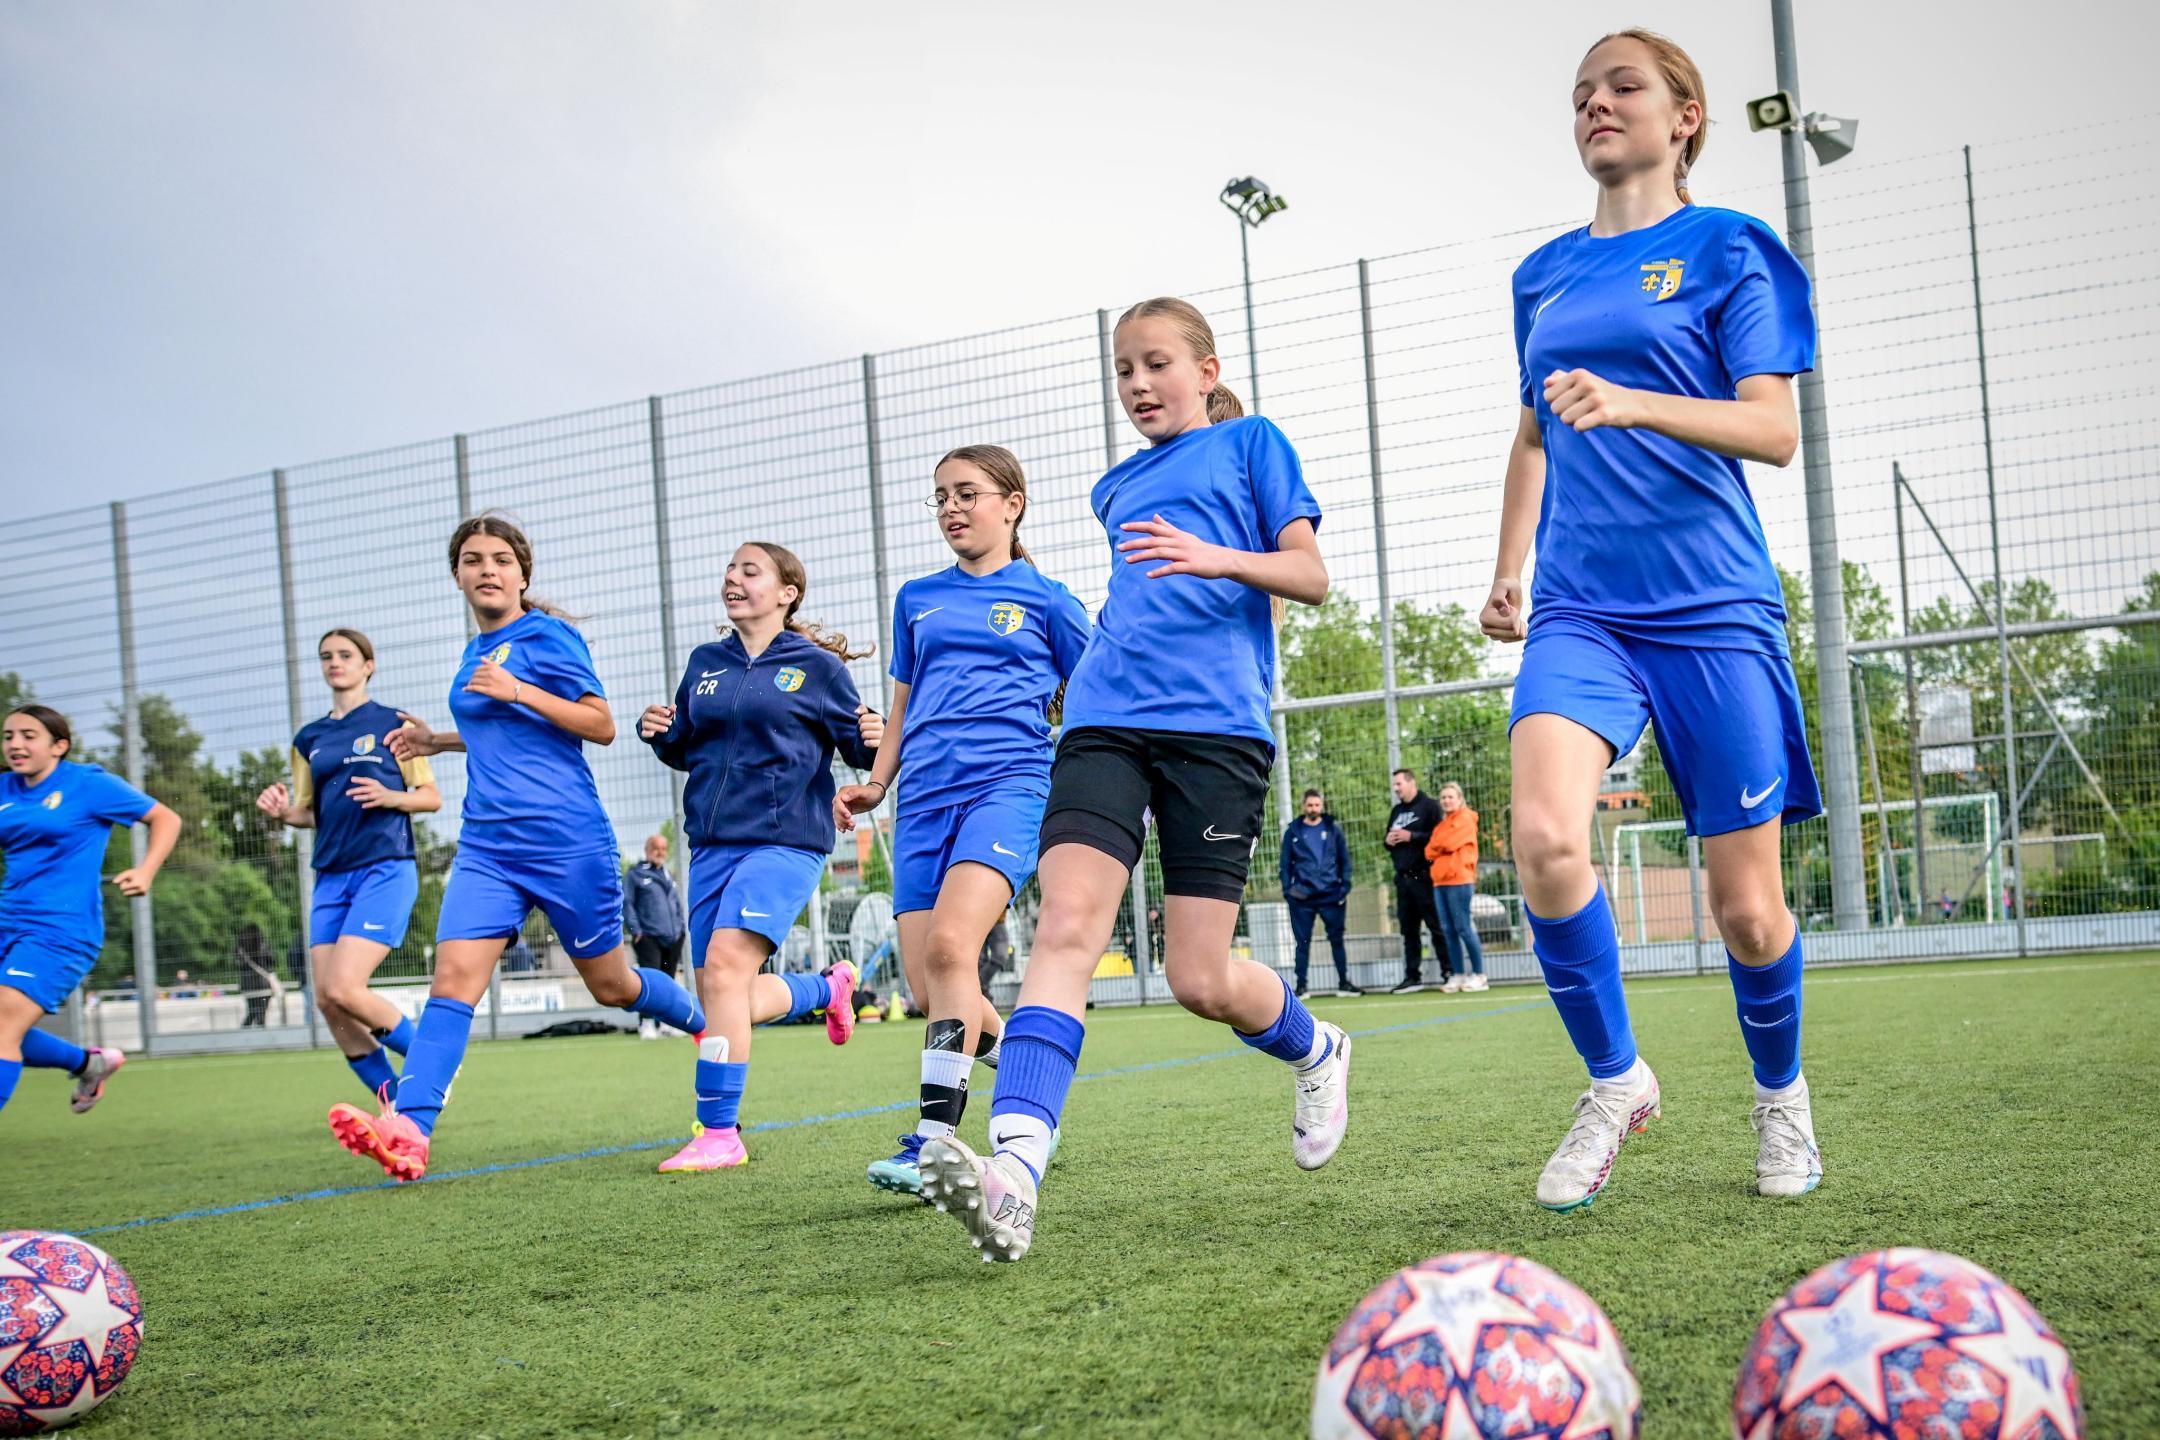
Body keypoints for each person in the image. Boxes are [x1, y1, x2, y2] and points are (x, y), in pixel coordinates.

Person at [918, 296, 1348, 1264]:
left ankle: (1317, 1050)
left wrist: (1216, 557)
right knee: (1068, 925)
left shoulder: (1253, 446)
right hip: (1105, 722)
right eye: (1123, 368)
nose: (1139, 384)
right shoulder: (1115, 486)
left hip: (1218, 734)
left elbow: (1311, 576)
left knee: (1200, 978)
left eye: (1157, 363)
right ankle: (1015, 1173)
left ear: (1204, 370)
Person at [1482, 29, 1824, 1210]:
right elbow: (1535, 427)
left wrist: (1635, 402)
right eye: (1580, 93)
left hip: (1714, 607)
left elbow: (1773, 432)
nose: (1595, 104)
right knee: (1543, 838)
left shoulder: (1731, 248)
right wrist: (1509, 564)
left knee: (1748, 908)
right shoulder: (1543, 276)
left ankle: (1780, 1099)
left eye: (1622, 86)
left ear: (1685, 117)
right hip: (1582, 608)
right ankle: (1617, 1079)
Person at [327, 514, 708, 1182]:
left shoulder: (547, 636)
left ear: (522, 573)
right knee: (452, 983)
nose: (487, 570)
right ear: (457, 577)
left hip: (566, 842)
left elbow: (601, 724)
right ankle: (410, 1132)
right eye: (472, 560)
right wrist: (437, 741)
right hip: (487, 847)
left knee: (613, 986)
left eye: (500, 559)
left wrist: (520, 689)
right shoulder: (475, 654)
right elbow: (504, 734)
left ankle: (706, 1023)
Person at [834, 444, 1090, 1197]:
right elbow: (904, 705)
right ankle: (1027, 1092)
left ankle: (933, 1144)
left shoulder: (1047, 599)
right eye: (940, 496)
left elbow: (1096, 691)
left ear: (1012, 503)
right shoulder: (918, 597)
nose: (950, 507)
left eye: (967, 493)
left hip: (1008, 789)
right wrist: (877, 783)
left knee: (953, 947)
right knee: (929, 985)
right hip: (922, 805)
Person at [642, 540, 883, 1174]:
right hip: (712, 842)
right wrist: (661, 733)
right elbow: (685, 746)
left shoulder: (818, 667)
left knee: (723, 969)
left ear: (786, 592)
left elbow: (859, 750)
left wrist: (874, 734)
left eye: (750, 571)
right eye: (728, 570)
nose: (733, 579)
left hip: (787, 839)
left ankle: (720, 1133)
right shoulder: (705, 663)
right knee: (725, 993)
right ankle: (827, 988)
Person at [257, 626, 442, 1096]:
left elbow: (430, 798)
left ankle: (432, 1066)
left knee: (344, 987)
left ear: (368, 665)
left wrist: (389, 796)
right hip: (331, 876)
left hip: (384, 867)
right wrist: (283, 813)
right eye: (326, 656)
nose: (334, 663)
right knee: (329, 1001)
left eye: (344, 654)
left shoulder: (391, 724)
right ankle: (399, 1105)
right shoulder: (309, 738)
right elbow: (310, 812)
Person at [0, 704, 182, 1118]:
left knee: (2, 1027)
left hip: (60, 931)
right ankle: (89, 1064)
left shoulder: (88, 784)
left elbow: (165, 819)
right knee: (6, 1026)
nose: (16, 744)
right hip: (8, 921)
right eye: (9, 736)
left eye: (29, 735)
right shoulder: (4, 790)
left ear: (59, 745)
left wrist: (146, 870)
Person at [1279, 788, 1357, 997]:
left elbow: (1345, 860)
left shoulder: (1333, 829)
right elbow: (1284, 864)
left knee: (1337, 939)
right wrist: (1288, 890)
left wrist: (1344, 887)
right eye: (1310, 805)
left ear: (1322, 806)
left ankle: (1343, 983)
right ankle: (1301, 986)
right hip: (1302, 897)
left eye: (1317, 805)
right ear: (1303, 806)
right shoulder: (1293, 832)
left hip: (1331, 895)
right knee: (1302, 943)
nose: (1313, 808)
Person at [1383, 768, 1447, 994]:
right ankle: (1412, 977)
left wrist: (1412, 836)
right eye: (1395, 784)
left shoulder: (1429, 806)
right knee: (1408, 930)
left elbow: (1439, 837)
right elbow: (1387, 840)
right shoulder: (1397, 811)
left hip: (1424, 876)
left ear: (1412, 783)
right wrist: (1389, 840)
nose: (1396, 788)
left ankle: (1448, 972)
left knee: (1435, 926)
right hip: (1403, 879)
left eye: (1399, 783)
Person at [1424, 782, 1487, 992]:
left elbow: (1448, 844)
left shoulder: (1467, 818)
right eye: (1443, 798)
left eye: (1450, 797)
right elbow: (1429, 851)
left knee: (1463, 927)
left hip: (1460, 880)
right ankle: (1458, 974)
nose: (1446, 801)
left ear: (1459, 798)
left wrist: (1441, 845)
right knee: (1448, 930)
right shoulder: (1442, 825)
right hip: (1440, 882)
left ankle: (1480, 975)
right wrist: (1442, 845)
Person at [626, 833, 688, 1039]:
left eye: (663, 848)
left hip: (673, 937)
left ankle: (665, 1023)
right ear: (647, 850)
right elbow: (627, 903)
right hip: (648, 937)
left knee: (668, 981)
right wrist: (636, 931)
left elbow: (676, 904)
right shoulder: (635, 875)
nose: (660, 852)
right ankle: (646, 1023)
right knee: (650, 981)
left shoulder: (669, 875)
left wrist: (680, 927)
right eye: (655, 847)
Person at [237, 922, 279, 1028]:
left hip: (248, 985)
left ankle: (245, 1030)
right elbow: (272, 961)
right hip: (263, 984)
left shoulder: (240, 949)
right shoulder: (263, 945)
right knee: (261, 1012)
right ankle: (260, 1032)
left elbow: (238, 966)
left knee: (252, 1011)